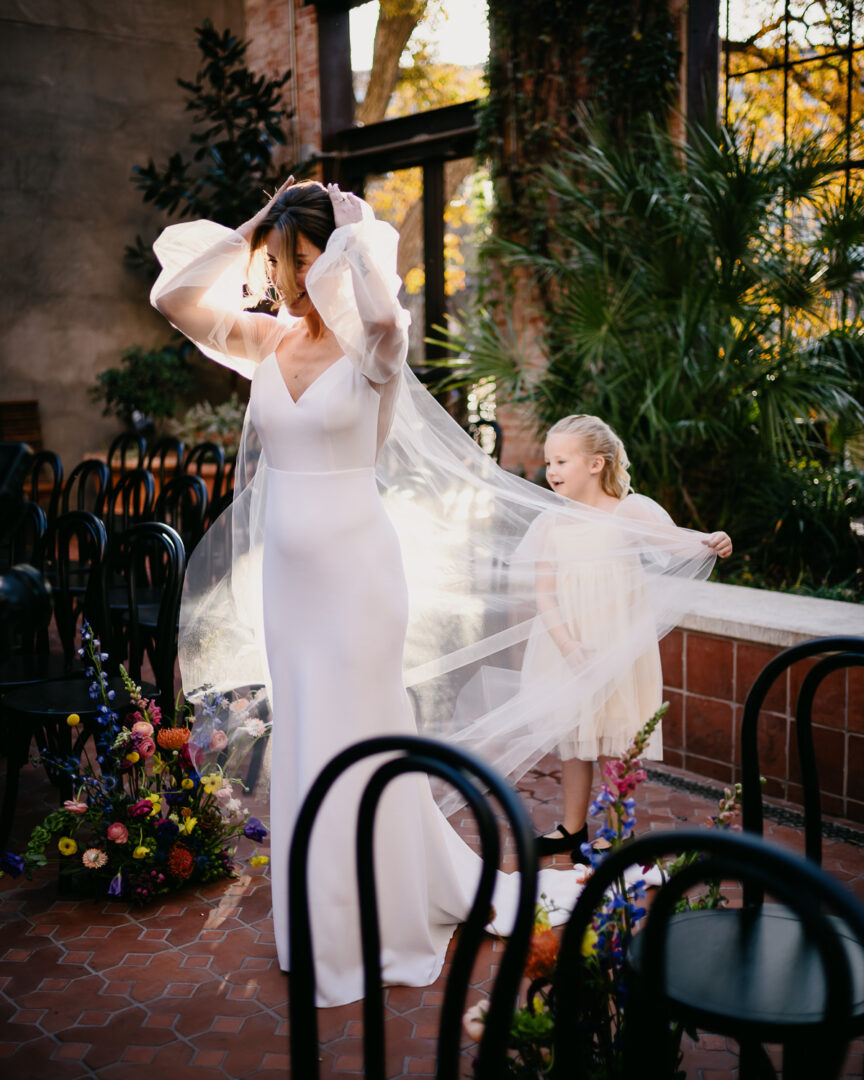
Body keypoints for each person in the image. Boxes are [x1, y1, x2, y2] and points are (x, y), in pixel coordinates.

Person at [150, 178, 600, 1008]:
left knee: (359, 737)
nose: (288, 279)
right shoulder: (264, 341)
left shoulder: (371, 352)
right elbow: (172, 295)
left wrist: (357, 246)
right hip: (288, 585)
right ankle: (317, 916)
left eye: (303, 260)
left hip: (359, 580)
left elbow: (389, 323)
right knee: (304, 739)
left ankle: (381, 913)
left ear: (337, 258)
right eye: (279, 265)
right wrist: (257, 224)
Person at [527, 415, 732, 861]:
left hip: (616, 648)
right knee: (576, 741)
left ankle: (618, 831)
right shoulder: (551, 524)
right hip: (571, 648)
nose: (552, 470)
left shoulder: (629, 511)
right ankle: (571, 828)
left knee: (614, 741)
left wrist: (710, 540)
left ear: (597, 464)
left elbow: (677, 542)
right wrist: (567, 645)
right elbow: (544, 594)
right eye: (549, 461)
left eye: (562, 460)